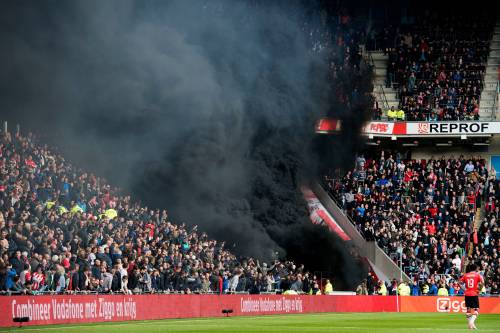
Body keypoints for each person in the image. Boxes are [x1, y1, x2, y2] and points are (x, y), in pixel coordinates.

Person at [460, 263, 484, 330]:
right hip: (474, 293)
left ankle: (471, 325)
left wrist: (464, 289)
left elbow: (459, 283)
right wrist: (479, 289)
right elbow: (482, 283)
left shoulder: (466, 275)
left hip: (467, 293)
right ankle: (471, 322)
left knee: (468, 309)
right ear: (476, 269)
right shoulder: (477, 275)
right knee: (476, 309)